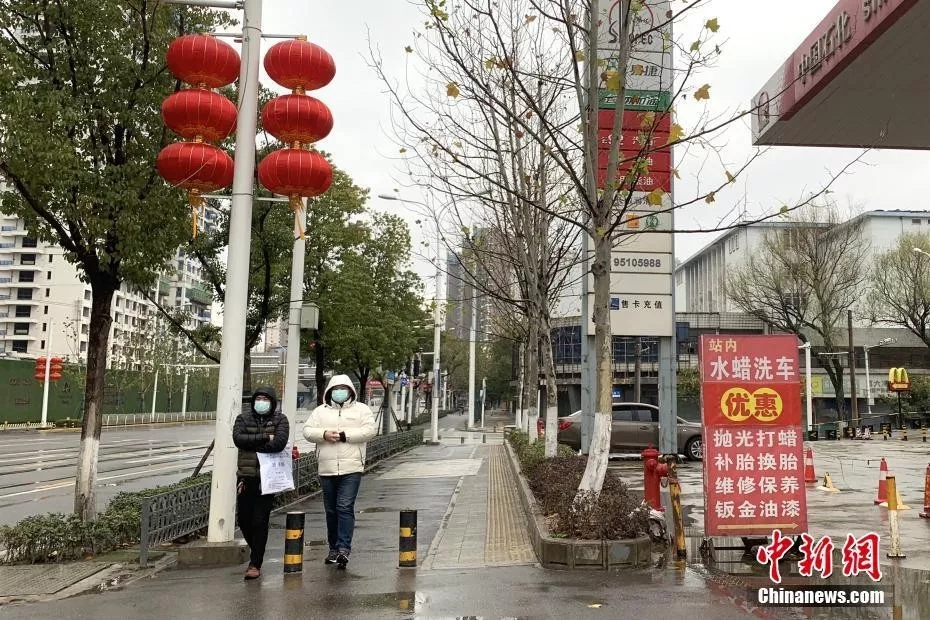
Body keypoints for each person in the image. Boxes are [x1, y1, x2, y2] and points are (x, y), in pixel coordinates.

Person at [303, 374, 376, 569]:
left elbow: (370, 431)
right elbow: (307, 431)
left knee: (344, 506)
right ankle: (333, 548)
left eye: (343, 389)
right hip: (326, 469)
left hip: (352, 468)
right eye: (336, 389)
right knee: (331, 510)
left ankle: (344, 548)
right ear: (330, 391)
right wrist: (324, 434)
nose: (339, 392)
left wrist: (345, 436)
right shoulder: (320, 411)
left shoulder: (361, 410)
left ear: (351, 391)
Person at [232, 385, 289, 580]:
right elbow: (239, 439)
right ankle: (256, 549)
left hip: (268, 478)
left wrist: (254, 445)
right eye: (259, 398)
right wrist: (265, 437)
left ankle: (255, 563)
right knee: (244, 520)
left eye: (265, 399)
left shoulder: (280, 419)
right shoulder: (243, 419)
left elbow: (279, 443)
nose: (261, 402)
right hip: (246, 476)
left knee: (260, 521)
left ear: (272, 402)